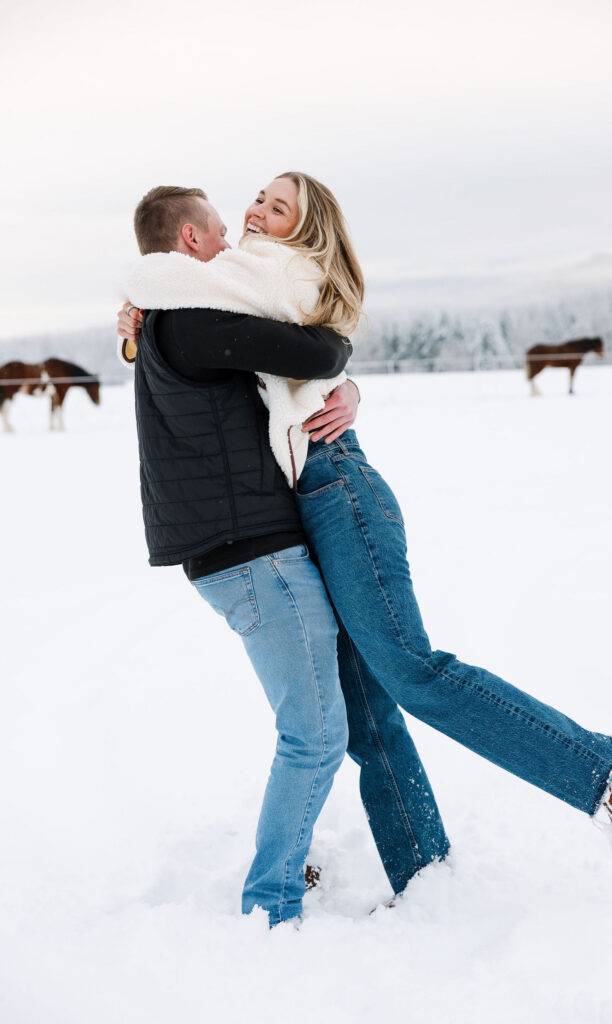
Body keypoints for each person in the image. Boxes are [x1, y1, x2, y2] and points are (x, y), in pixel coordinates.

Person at [120, 175, 612, 915]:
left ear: (303, 232)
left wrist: (154, 299)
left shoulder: (271, 272)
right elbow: (246, 337)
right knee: (367, 713)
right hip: (307, 503)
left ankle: (600, 766)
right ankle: (423, 873)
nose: (252, 213)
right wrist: (137, 317)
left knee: (410, 671)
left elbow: (314, 346)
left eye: (275, 207)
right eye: (255, 201)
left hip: (340, 492)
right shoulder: (239, 284)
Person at [121, 185, 451, 927]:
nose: (233, 231)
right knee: (316, 734)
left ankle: (419, 871)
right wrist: (342, 363)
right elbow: (320, 347)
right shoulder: (194, 320)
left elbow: (296, 374)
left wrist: (349, 392)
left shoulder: (178, 316)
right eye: (218, 222)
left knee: (352, 720)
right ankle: (268, 905)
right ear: (189, 241)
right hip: (254, 556)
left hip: (261, 547)